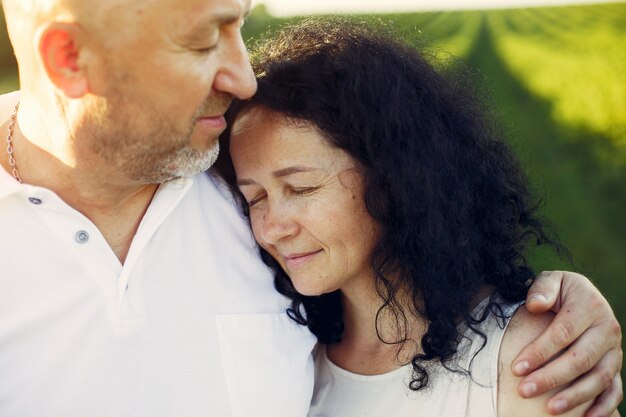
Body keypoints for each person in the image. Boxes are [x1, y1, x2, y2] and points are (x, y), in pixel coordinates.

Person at [0, 1, 620, 415]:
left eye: (238, 26)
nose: (244, 77)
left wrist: (551, 310)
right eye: (199, 43)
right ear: (68, 59)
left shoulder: (228, 170)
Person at [218, 17, 623, 417]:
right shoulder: (288, 365)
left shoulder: (528, 357)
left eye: (301, 189)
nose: (272, 228)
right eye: (254, 198)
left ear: (395, 178)